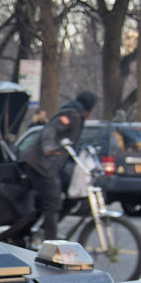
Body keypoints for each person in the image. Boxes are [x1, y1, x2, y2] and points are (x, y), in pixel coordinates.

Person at [21, 90, 96, 241]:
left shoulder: (76, 115)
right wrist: (48, 147)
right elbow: (51, 129)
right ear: (88, 110)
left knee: (73, 191)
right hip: (39, 164)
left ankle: (43, 229)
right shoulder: (72, 114)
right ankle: (49, 238)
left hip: (51, 167)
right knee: (53, 201)